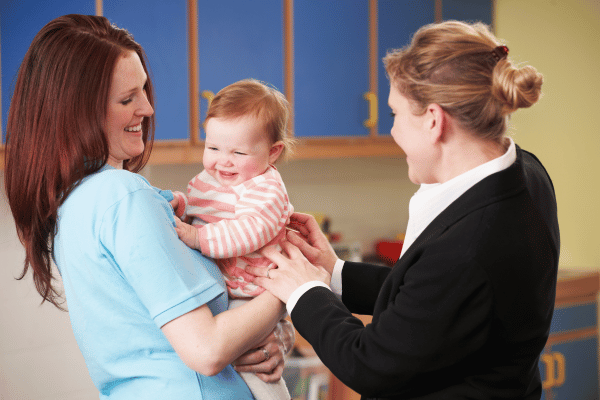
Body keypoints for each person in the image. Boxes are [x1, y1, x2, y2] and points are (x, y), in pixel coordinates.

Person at [248, 20, 560, 400]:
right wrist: (333, 273)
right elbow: (430, 299)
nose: (392, 131)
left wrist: (303, 292)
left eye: (395, 114)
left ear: (433, 120)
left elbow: (372, 364)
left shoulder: (470, 244)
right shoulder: (525, 173)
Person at [4, 14, 294, 400]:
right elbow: (206, 350)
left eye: (143, 90)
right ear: (78, 112)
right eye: (127, 99)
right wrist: (293, 284)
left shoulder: (73, 203)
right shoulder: (122, 197)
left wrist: (269, 337)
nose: (147, 108)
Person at [171, 78, 295, 400]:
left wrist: (198, 237)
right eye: (213, 148)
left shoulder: (266, 189)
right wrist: (180, 206)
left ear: (273, 153)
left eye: (238, 152)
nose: (222, 161)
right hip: (230, 291)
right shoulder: (209, 178)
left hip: (253, 294)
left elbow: (250, 230)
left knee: (258, 374)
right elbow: (200, 211)